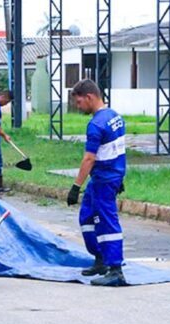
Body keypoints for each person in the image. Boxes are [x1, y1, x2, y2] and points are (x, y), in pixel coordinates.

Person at [67, 79, 127, 287]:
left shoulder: (96, 125)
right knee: (87, 217)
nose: (78, 106)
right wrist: (120, 176)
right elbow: (117, 150)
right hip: (106, 177)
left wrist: (75, 187)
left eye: (79, 102)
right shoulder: (115, 117)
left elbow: (89, 159)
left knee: (107, 222)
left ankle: (115, 269)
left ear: (90, 97)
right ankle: (100, 259)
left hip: (104, 180)